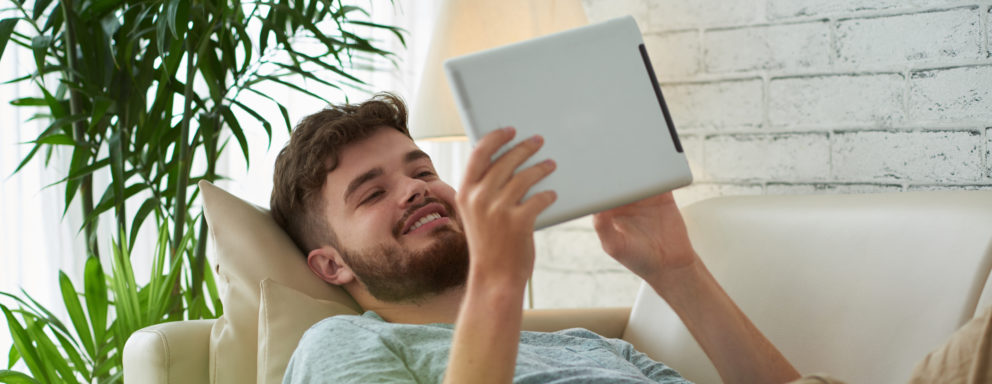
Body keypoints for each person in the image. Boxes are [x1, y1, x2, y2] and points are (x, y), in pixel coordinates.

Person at [269, 94, 989, 383]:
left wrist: (677, 272)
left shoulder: (589, 348)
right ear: (329, 263)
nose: (416, 187)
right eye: (373, 191)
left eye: (421, 169)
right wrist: (498, 280)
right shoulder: (344, 349)